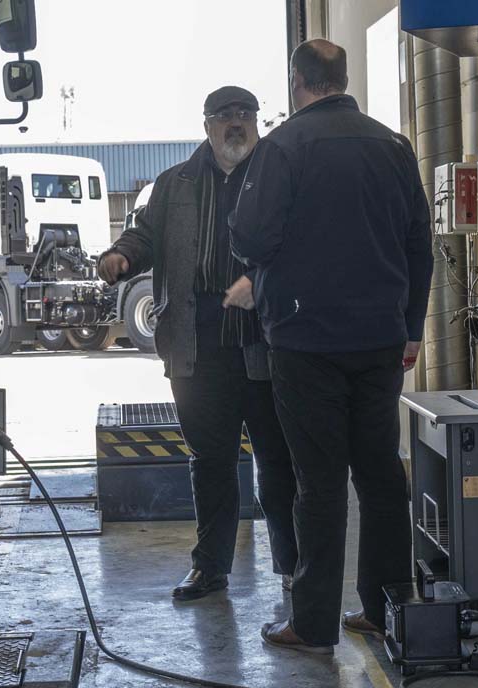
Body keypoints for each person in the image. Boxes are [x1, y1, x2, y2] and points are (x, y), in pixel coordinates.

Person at [230, 40, 434, 654]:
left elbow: (249, 240)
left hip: (305, 341)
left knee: (317, 484)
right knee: (379, 474)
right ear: (343, 80)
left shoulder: (283, 148)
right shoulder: (393, 147)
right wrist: (413, 327)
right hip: (380, 339)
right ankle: (387, 608)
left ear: (298, 82)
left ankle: (313, 625)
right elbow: (419, 244)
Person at [98, 86, 298, 601]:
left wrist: (263, 282)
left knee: (276, 461)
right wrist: (121, 256)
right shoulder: (175, 184)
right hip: (197, 349)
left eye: (245, 115)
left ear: (257, 122)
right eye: (225, 116)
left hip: (263, 346)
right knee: (210, 462)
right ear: (206, 125)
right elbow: (144, 237)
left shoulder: (278, 176)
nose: (237, 123)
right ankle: (211, 568)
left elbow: (301, 243)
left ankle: (291, 567)